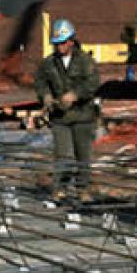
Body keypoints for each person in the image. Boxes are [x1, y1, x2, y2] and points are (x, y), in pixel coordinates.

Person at [34, 18, 100, 206]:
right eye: (56, 44)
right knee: (63, 155)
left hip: (83, 116)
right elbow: (40, 82)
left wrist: (76, 95)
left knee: (83, 155)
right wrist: (45, 96)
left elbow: (93, 83)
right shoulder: (49, 63)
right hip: (60, 118)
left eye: (62, 43)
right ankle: (60, 189)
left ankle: (83, 190)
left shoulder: (85, 61)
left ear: (71, 41)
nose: (59, 47)